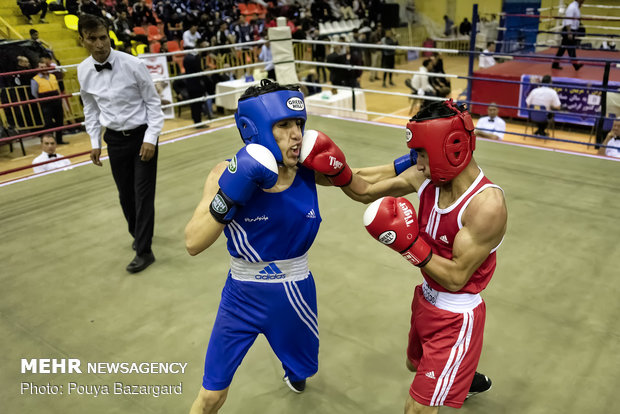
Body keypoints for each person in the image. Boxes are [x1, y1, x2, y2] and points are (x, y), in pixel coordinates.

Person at [323, 99, 506, 413]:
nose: (417, 164)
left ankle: (456, 369)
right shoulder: (426, 179)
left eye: (422, 154)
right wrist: (331, 170)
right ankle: (462, 375)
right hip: (425, 300)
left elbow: (456, 276)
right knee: (413, 363)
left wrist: (410, 247)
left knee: (417, 408)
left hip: (457, 316)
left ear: (450, 148)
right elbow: (365, 190)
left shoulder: (486, 206)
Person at [185, 79, 354, 413]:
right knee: (211, 394)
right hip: (240, 296)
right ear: (256, 129)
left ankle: (294, 371)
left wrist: (410, 165)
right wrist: (230, 194)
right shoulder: (225, 172)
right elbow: (193, 242)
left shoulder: (307, 170)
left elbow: (361, 183)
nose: (297, 134)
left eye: (299, 124)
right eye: (284, 125)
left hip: (294, 293)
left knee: (304, 370)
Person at [77, 14, 164, 273]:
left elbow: (153, 103)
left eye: (103, 37)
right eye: (92, 39)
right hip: (114, 139)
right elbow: (90, 109)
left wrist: (151, 138)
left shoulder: (132, 64)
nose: (100, 44)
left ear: (109, 36)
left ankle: (144, 250)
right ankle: (138, 235)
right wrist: (94, 142)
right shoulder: (83, 70)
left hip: (142, 136)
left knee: (143, 194)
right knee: (125, 195)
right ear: (82, 40)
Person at [31, 57, 66, 145]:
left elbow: (57, 87)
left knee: (59, 121)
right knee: (49, 123)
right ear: (38, 68)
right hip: (46, 102)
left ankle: (59, 140)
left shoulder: (52, 76)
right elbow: (34, 93)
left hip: (56, 100)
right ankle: (50, 141)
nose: (43, 69)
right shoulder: (35, 79)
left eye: (44, 66)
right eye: (41, 67)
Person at [552, 0, 584, 70]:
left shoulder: (575, 7)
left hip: (571, 30)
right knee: (571, 48)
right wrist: (569, 32)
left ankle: (555, 64)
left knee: (562, 49)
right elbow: (568, 20)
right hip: (569, 30)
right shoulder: (572, 7)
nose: (584, 1)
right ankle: (575, 66)